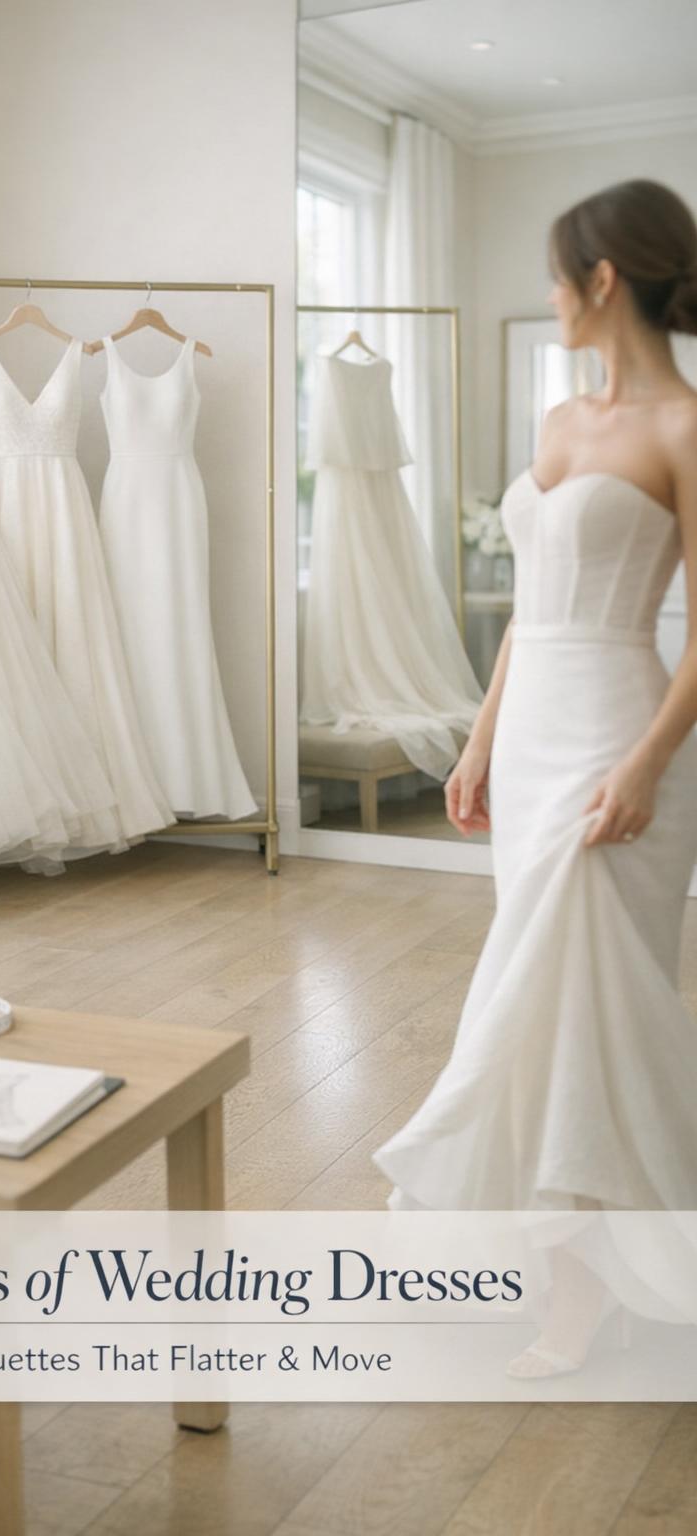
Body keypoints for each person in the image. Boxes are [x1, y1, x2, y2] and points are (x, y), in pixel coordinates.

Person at [372, 179, 697, 1377]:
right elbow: (524, 611)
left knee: (585, 1004)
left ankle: (590, 1284)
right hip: (538, 719)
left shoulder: (685, 428)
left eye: (559, 278)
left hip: (621, 729)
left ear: (602, 280)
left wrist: (648, 764)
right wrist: (476, 740)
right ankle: (572, 1264)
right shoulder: (560, 424)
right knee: (537, 998)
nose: (551, 298)